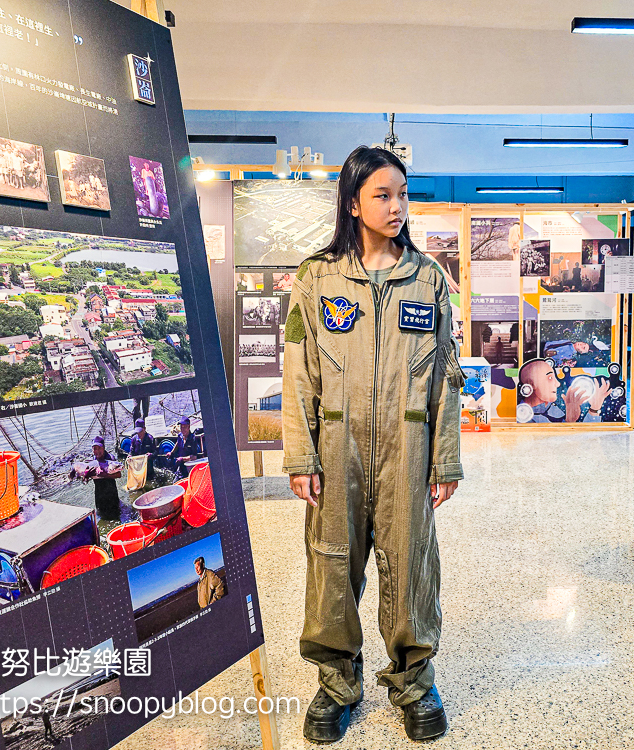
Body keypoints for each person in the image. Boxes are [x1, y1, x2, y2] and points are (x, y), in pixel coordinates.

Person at [281, 146, 464, 743]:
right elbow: (298, 373)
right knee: (332, 564)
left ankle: (414, 681)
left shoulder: (429, 278)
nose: (397, 207)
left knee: (411, 564)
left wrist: (445, 458)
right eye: (383, 195)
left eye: (403, 194)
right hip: (336, 450)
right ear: (353, 201)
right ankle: (336, 682)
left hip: (408, 448)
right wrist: (301, 455)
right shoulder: (318, 278)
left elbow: (446, 377)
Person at [519, 359, 609, 423]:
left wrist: (594, 408)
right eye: (550, 378)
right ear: (531, 384)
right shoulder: (523, 417)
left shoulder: (555, 410)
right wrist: (569, 421)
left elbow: (585, 438)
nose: (557, 384)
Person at [76, 436, 122, 520]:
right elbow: (85, 479)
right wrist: (86, 476)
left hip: (111, 493)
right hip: (99, 495)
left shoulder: (110, 459)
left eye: (99, 448)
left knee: (116, 516)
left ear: (103, 448)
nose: (97, 451)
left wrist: (104, 475)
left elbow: (119, 475)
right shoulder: (91, 461)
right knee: (101, 516)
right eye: (94, 449)